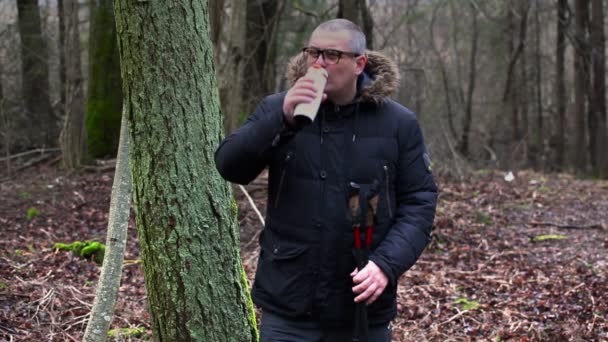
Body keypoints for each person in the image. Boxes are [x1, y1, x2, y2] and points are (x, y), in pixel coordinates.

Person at [215, 19, 437, 342]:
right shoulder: (279, 107)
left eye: (332, 55)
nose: (319, 63)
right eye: (313, 53)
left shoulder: (397, 123)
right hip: (288, 304)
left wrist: (385, 265)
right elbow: (229, 166)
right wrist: (281, 119)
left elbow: (420, 202)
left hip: (362, 309)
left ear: (359, 64)